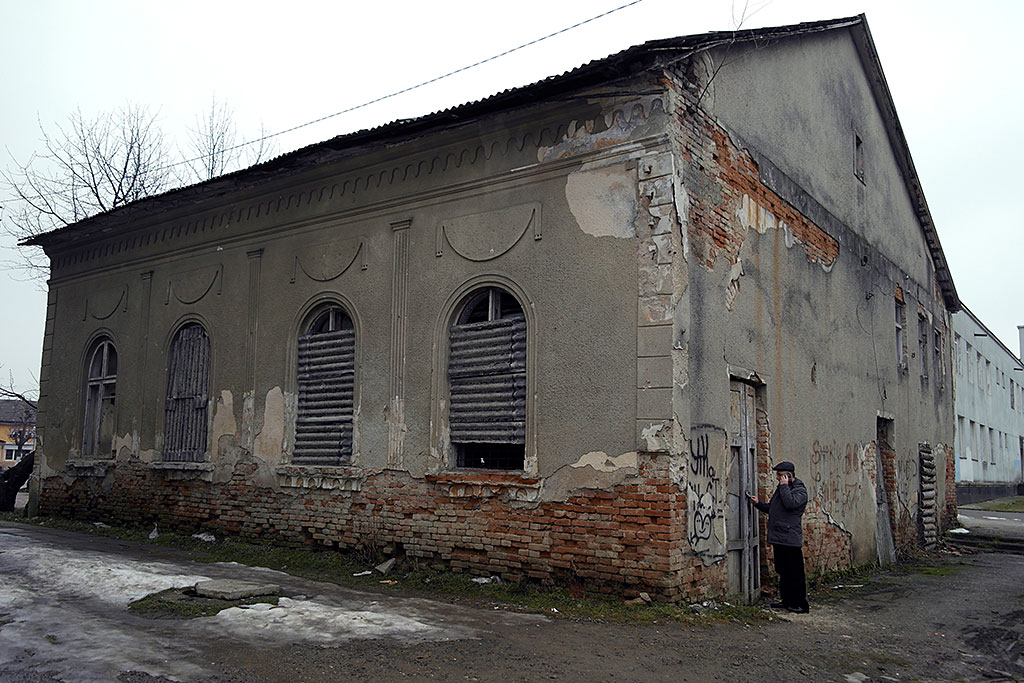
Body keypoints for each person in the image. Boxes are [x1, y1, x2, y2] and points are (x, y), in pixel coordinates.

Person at [747, 461, 810, 613]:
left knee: (794, 573)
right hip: (779, 537)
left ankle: (800, 603)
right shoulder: (783, 489)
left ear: (789, 475)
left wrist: (784, 486)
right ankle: (787, 601)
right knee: (783, 570)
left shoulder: (799, 491)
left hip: (790, 538)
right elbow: (774, 509)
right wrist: (758, 504)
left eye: (780, 476)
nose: (777, 478)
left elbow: (790, 504)